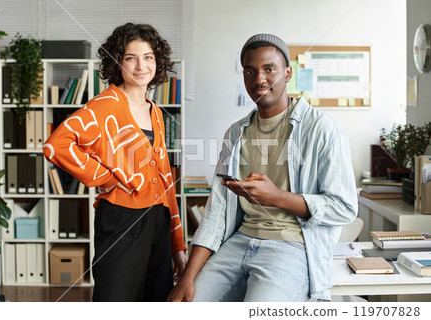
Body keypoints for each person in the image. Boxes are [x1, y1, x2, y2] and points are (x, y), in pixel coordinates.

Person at [168, 33, 357, 302]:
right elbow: (215, 214)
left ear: (288, 73)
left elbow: (345, 207)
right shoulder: (235, 134)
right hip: (239, 242)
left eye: (270, 69)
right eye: (250, 71)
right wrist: (186, 279)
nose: (259, 79)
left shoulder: (322, 129)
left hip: (292, 247)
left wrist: (276, 197)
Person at [43, 23, 187, 302]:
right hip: (122, 219)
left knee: (157, 299)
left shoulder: (154, 110)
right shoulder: (105, 104)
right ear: (117, 62)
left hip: (158, 220)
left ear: (158, 62)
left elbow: (165, 177)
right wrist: (106, 178)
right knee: (116, 301)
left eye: (148, 57)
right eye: (130, 58)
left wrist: (177, 245)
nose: (140, 66)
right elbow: (56, 145)